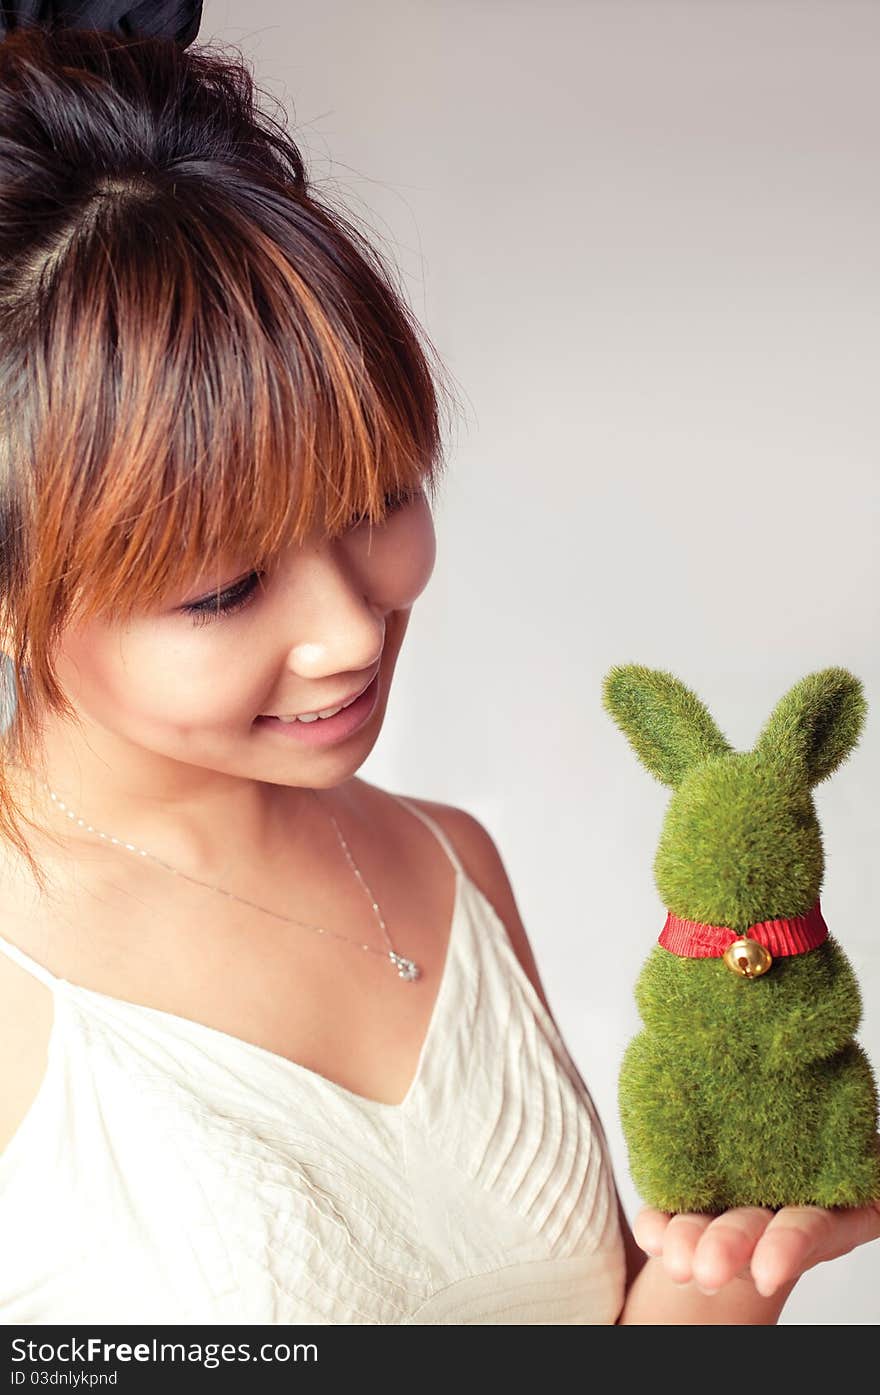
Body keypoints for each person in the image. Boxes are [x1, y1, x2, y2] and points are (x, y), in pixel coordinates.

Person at [0, 8, 876, 1327]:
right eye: (224, 589)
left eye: (375, 501)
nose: (350, 629)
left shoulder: (449, 862)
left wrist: (711, 1299)